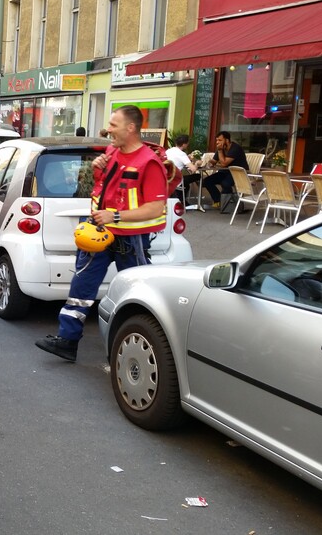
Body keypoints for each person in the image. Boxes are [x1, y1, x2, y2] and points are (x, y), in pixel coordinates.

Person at [35, 105, 169, 362]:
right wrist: (97, 170)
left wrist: (114, 216)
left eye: (114, 125)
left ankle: (147, 342)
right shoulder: (111, 152)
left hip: (131, 239)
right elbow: (105, 190)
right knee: (82, 284)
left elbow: (155, 208)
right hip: (100, 232)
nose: (109, 130)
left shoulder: (149, 163)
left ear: (131, 128)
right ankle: (67, 341)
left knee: (139, 290)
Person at [201, 130, 248, 209]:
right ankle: (218, 200)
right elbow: (214, 160)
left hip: (237, 173)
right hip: (225, 172)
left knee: (225, 183)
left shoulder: (235, 148)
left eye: (220, 140)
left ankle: (227, 203)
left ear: (227, 140)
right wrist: (210, 163)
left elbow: (224, 163)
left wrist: (219, 151)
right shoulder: (221, 147)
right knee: (207, 181)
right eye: (216, 140)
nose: (217, 142)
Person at [166, 134, 201, 199]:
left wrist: (187, 158)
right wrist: (197, 163)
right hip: (175, 180)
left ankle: (182, 201)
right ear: (184, 144)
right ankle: (184, 201)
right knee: (198, 176)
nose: (188, 145)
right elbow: (193, 169)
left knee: (186, 185)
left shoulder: (168, 151)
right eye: (188, 143)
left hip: (166, 178)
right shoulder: (182, 154)